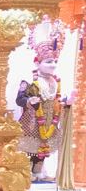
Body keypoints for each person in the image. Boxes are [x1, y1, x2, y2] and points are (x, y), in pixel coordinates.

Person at [16, 29, 67, 181]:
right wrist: (29, 101)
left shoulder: (55, 81)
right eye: (49, 62)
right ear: (37, 63)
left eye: (55, 62)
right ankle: (27, 174)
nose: (53, 65)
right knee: (30, 146)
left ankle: (38, 172)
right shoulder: (29, 79)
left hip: (50, 120)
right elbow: (19, 99)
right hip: (32, 121)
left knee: (45, 146)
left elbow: (55, 99)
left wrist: (65, 102)